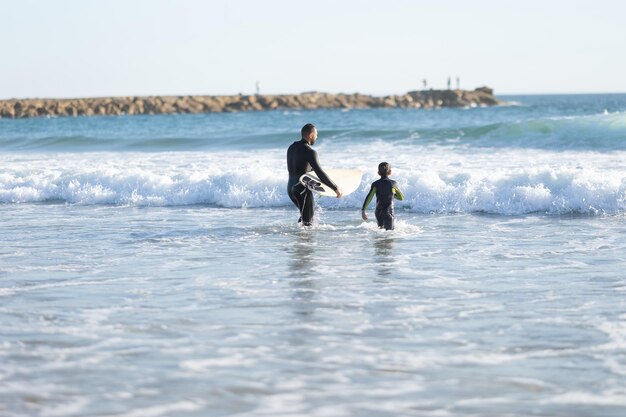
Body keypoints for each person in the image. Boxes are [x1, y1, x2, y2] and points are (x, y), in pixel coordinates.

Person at [287, 123, 342, 226]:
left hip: (290, 188)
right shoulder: (310, 152)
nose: (317, 137)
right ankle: (303, 241)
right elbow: (319, 173)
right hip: (301, 189)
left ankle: (295, 238)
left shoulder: (292, 148)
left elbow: (300, 168)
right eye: (316, 134)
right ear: (311, 134)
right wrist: (335, 187)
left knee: (305, 216)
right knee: (308, 224)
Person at [361, 162, 404, 230]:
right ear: (390, 172)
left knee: (381, 232)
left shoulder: (375, 184)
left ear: (378, 172)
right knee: (389, 234)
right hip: (388, 212)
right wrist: (393, 194)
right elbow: (401, 198)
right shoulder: (393, 184)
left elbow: (369, 197)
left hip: (378, 212)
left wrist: (363, 210)